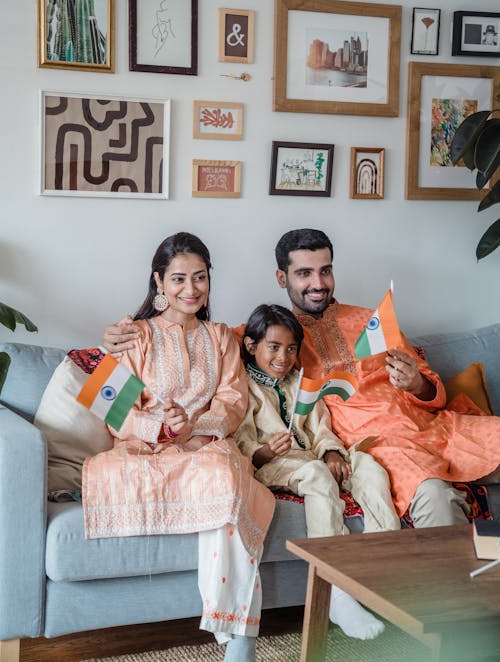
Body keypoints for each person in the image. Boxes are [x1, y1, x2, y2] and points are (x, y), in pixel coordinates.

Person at [83, 232, 275, 662]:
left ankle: (238, 643)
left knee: (225, 480)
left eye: (201, 278)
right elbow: (109, 405)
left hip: (204, 446)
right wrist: (161, 428)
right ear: (158, 282)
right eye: (179, 279)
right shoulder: (134, 334)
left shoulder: (221, 336)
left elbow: (233, 400)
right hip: (147, 448)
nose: (191, 290)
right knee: (122, 472)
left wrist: (192, 428)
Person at [271, 228, 500, 527]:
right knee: (435, 497)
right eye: (304, 273)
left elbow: (432, 388)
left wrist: (417, 383)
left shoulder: (371, 319)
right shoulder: (276, 339)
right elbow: (221, 348)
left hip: (436, 429)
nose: (318, 284)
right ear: (281, 278)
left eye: (325, 271)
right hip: (381, 446)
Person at [234, 303, 400, 639]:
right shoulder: (241, 385)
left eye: (291, 348)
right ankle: (336, 592)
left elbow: (321, 425)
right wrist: (263, 452)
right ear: (252, 346)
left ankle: (381, 566)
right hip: (276, 463)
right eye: (274, 347)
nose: (284, 356)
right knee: (316, 475)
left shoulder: (301, 382)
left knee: (368, 465)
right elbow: (240, 440)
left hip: (312, 456)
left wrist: (333, 452)